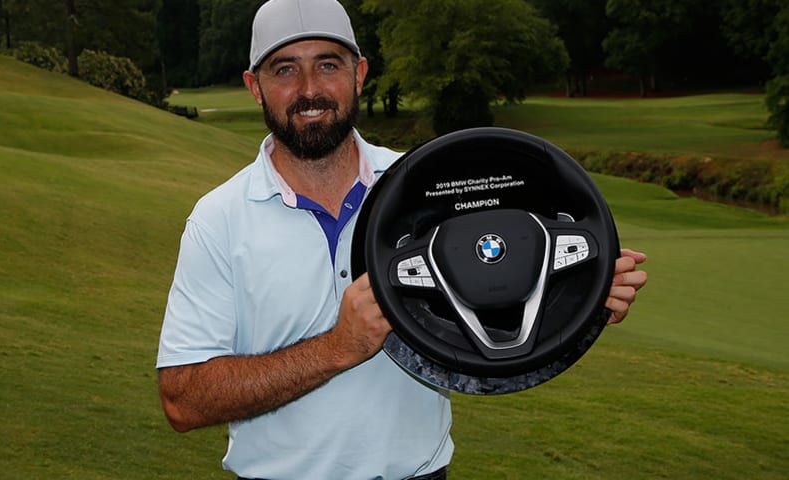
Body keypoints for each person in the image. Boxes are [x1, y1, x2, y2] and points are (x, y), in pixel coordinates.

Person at [156, 0, 648, 479]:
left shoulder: (430, 186)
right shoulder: (218, 219)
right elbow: (183, 400)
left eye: (328, 64)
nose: (309, 90)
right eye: (284, 70)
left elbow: (497, 281)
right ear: (254, 87)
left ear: (360, 74)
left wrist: (585, 295)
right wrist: (337, 348)